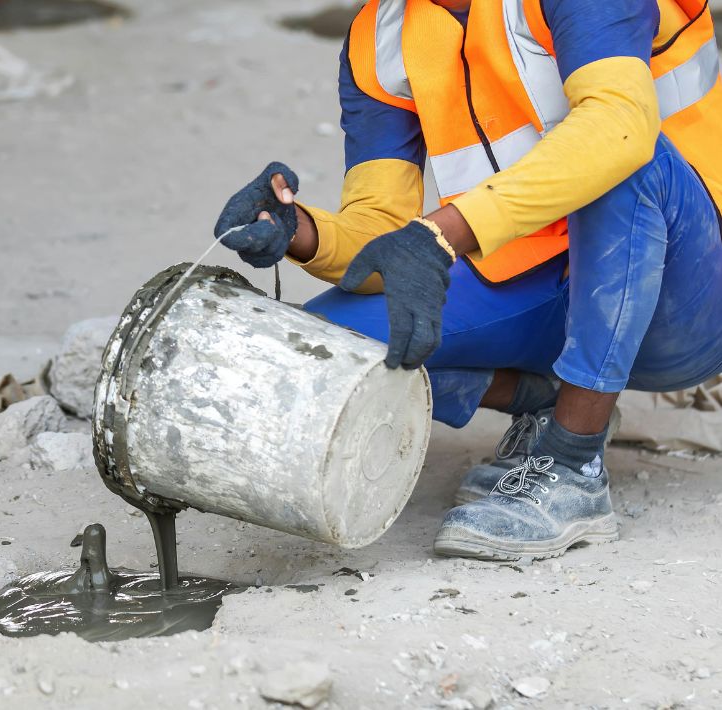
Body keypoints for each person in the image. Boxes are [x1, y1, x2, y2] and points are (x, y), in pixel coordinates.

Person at [214, 0, 722, 561]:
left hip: (690, 291)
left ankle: (572, 461)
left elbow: (621, 128)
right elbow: (381, 228)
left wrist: (440, 235)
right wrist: (300, 231)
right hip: (553, 277)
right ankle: (546, 400)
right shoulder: (379, 36)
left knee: (622, 152)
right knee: (328, 346)